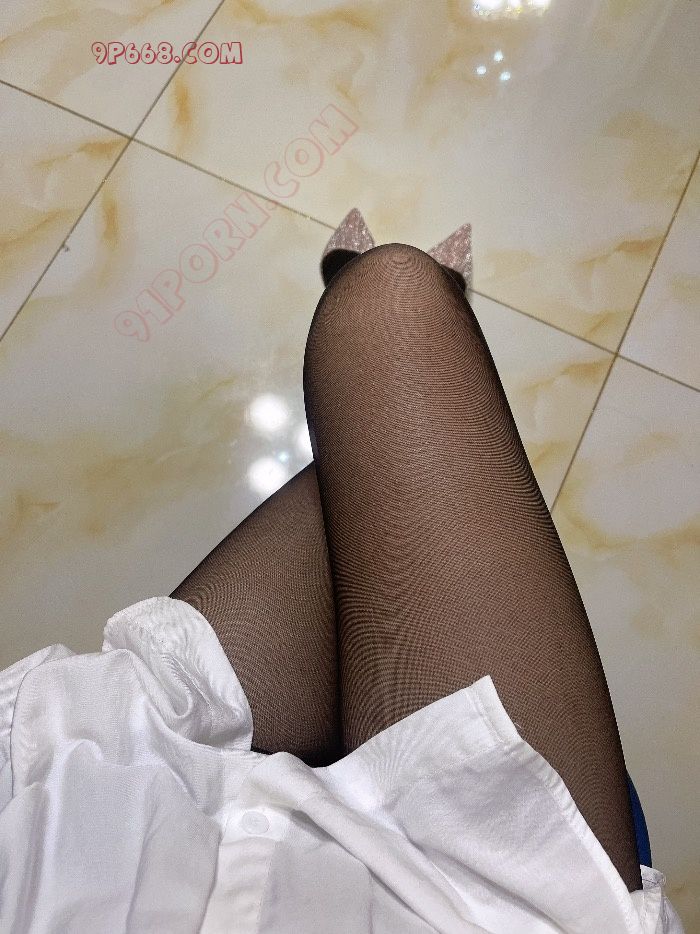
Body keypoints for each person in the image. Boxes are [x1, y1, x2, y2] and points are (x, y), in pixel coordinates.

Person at [0, 223, 680, 932]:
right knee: (395, 314)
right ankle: (428, 322)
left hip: (88, 792)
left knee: (384, 417)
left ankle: (395, 355)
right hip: (470, 895)